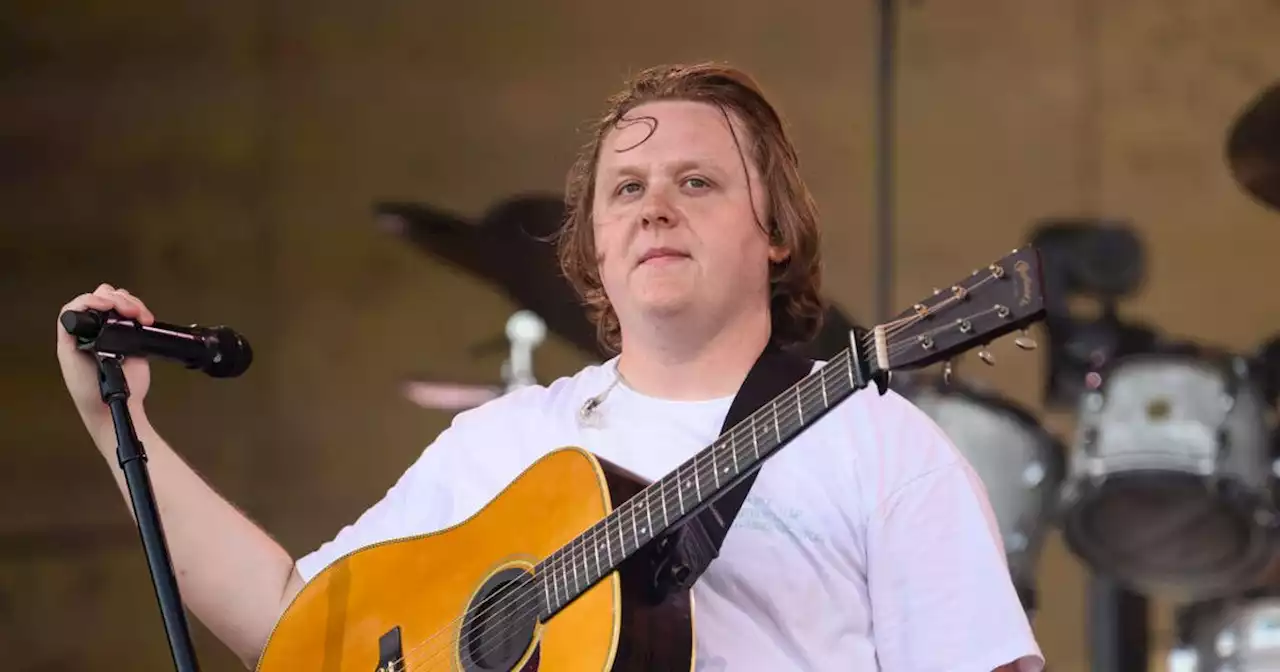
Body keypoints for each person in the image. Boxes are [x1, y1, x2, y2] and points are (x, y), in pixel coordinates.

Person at [57, 62, 1044, 671]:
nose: (654, 206)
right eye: (625, 189)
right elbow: (289, 626)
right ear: (595, 249)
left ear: (774, 233)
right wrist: (120, 427)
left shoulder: (877, 446)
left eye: (695, 181)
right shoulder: (503, 443)